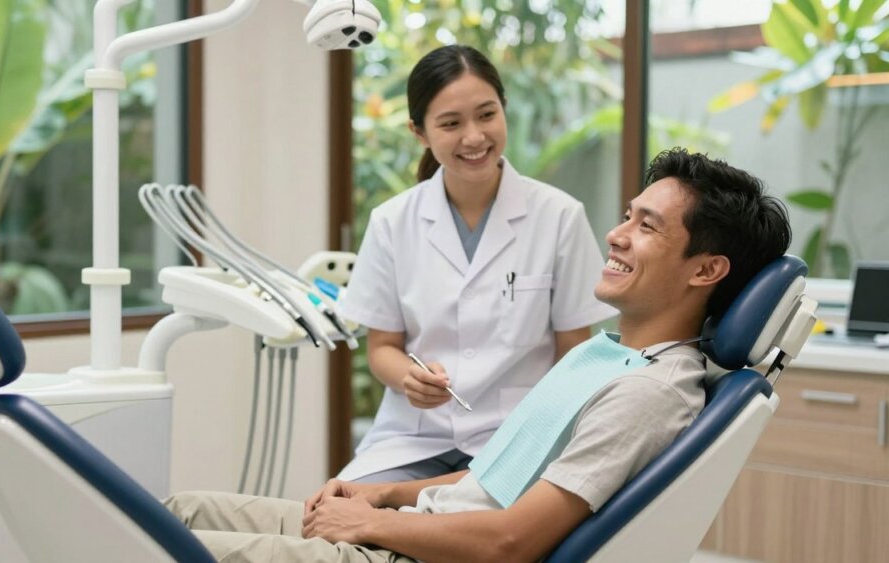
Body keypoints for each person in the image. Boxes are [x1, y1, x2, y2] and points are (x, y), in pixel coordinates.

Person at [163, 147, 793, 562]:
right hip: (414, 531)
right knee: (174, 511)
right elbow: (494, 478)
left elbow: (511, 542)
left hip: (411, 556)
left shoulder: (649, 393)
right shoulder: (605, 355)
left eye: (647, 226)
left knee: (146, 546)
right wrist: (381, 498)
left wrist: (371, 528)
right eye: (628, 215)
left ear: (707, 268)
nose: (616, 233)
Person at [335, 44, 616, 484]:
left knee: (449, 525)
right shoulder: (392, 222)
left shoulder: (559, 216)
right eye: (450, 123)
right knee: (342, 512)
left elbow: (573, 354)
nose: (473, 137)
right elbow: (382, 348)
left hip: (517, 436)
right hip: (414, 437)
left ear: (504, 110)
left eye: (487, 115)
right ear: (420, 132)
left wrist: (554, 435)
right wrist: (410, 377)